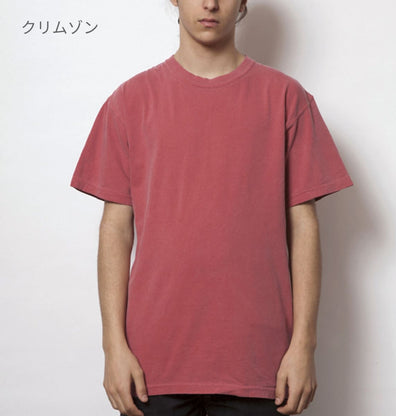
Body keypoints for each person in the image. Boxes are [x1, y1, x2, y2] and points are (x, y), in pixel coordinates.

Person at [70, 1, 354, 415]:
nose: (210, 3)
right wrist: (113, 347)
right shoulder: (130, 101)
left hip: (261, 362)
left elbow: (304, 226)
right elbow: (115, 228)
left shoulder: (286, 98)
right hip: (151, 364)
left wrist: (303, 346)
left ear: (243, 2)